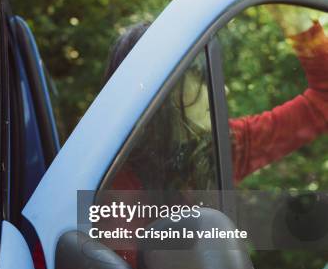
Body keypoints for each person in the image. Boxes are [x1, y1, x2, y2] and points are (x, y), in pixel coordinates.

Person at [105, 15, 328, 189]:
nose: (223, 89)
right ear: (161, 90)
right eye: (202, 78)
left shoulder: (224, 147)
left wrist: (290, 13)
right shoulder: (108, 180)